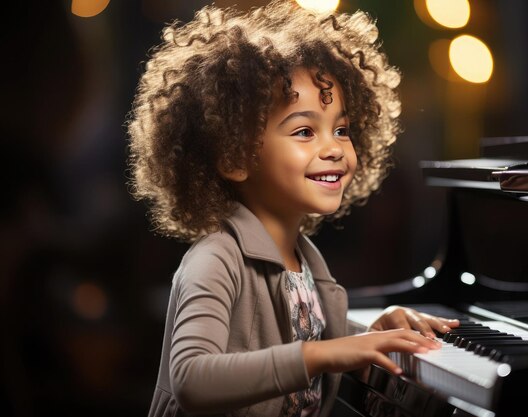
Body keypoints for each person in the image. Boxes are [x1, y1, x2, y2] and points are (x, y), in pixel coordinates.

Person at [126, 1, 460, 416]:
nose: (334, 148)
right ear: (233, 156)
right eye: (304, 131)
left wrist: (369, 330)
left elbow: (300, 340)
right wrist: (328, 352)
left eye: (341, 129)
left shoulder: (306, 263)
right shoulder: (215, 260)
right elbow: (192, 378)